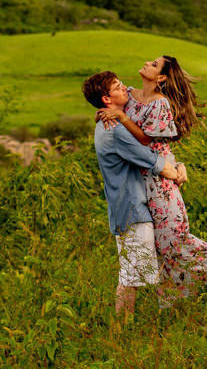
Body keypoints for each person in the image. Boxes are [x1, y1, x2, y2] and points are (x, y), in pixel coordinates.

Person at [98, 55, 207, 300]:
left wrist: (121, 118)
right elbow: (112, 103)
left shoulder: (159, 104)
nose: (147, 63)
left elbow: (145, 140)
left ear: (161, 77)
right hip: (144, 179)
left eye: (154, 64)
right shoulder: (130, 95)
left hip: (160, 179)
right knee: (163, 246)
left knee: (172, 240)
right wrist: (106, 113)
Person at [84, 70, 181, 322]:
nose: (124, 87)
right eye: (117, 86)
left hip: (126, 209)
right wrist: (179, 172)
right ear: (107, 99)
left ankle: (130, 327)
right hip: (132, 211)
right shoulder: (114, 130)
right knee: (130, 278)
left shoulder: (107, 123)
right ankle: (121, 332)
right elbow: (153, 161)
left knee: (135, 274)